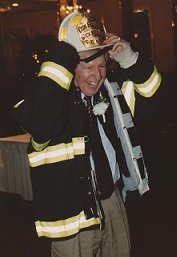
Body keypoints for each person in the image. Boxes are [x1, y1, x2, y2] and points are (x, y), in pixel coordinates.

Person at [12, 11, 163, 257]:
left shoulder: (112, 93)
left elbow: (155, 96)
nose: (97, 75)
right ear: (68, 66)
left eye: (102, 65)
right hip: (72, 215)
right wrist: (62, 52)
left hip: (112, 201)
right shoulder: (52, 101)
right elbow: (39, 125)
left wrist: (128, 57)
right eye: (88, 66)